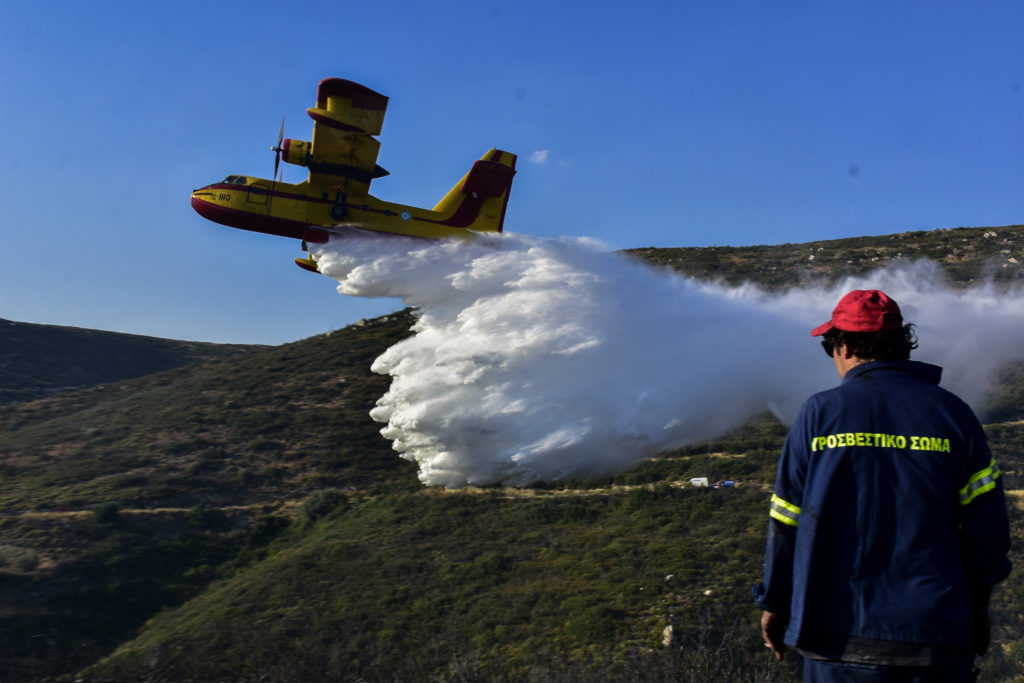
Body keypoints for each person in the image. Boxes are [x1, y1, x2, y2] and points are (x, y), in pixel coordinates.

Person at [753, 289, 1011, 682]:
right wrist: (978, 611)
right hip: (935, 637)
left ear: (844, 346)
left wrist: (775, 603)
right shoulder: (952, 413)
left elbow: (786, 518)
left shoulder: (819, 415)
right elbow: (986, 530)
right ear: (900, 345)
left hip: (836, 638)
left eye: (831, 347)